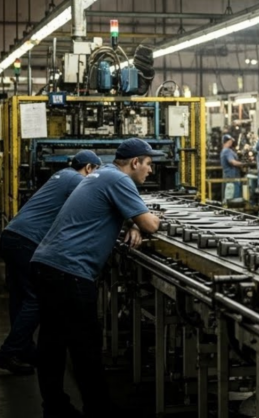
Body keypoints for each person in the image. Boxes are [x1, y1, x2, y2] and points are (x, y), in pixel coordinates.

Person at [31, 138, 162, 418]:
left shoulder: (102, 175)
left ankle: (54, 406)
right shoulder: (121, 181)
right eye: (149, 164)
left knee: (52, 343)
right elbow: (150, 223)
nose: (150, 171)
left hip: (47, 264)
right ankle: (99, 409)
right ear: (135, 162)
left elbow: (110, 210)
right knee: (86, 346)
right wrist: (150, 219)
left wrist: (131, 222)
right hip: (71, 272)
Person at [0, 150, 102, 375]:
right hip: (27, 241)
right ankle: (9, 352)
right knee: (36, 298)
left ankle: (23, 350)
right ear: (89, 168)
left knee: (20, 297)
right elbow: (95, 202)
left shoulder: (61, 175)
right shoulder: (77, 180)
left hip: (11, 236)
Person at [220, 134, 246, 202]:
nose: (231, 143)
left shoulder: (224, 151)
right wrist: (244, 164)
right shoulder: (227, 151)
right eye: (230, 141)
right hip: (232, 178)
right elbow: (233, 162)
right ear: (228, 141)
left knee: (231, 196)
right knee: (233, 198)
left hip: (230, 176)